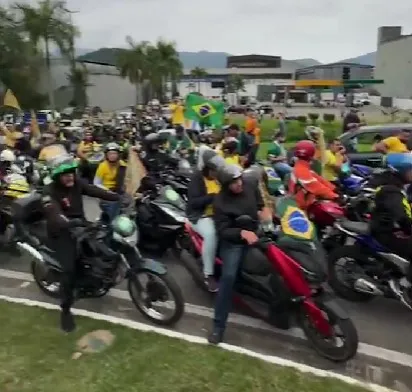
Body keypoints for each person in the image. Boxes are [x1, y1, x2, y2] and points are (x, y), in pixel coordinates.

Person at [42, 154, 121, 332]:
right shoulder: (49, 191)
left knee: (102, 247)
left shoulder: (77, 183)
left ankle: (95, 280)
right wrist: (67, 222)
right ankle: (66, 308)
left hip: (80, 226)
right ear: (56, 176)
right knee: (69, 269)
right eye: (65, 174)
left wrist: (117, 197)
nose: (70, 176)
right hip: (61, 232)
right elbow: (53, 213)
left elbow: (95, 190)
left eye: (71, 172)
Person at [208, 164, 270, 344]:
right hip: (234, 241)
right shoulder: (220, 202)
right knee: (228, 278)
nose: (239, 184)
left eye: (239, 179)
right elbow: (222, 230)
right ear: (226, 185)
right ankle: (218, 327)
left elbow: (260, 204)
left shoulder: (249, 184)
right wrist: (241, 233)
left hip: (257, 231)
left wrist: (264, 212)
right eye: (234, 182)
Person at [370, 153, 412, 308]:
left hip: (393, 227)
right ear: (400, 171)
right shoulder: (390, 191)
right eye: (410, 170)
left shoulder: (399, 185)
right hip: (387, 231)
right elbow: (401, 217)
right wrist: (408, 230)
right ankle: (405, 283)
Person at [187, 149, 225, 292]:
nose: (217, 173)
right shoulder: (197, 179)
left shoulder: (219, 178)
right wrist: (212, 197)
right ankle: (208, 274)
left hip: (219, 215)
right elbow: (194, 203)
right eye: (214, 170)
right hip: (200, 216)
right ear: (207, 169)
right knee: (211, 234)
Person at [288, 140, 339, 211]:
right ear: (311, 154)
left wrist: (335, 189)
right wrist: (335, 196)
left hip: (304, 206)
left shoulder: (303, 168)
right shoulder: (301, 170)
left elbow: (321, 181)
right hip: (301, 209)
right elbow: (317, 187)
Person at [94, 142, 127, 222]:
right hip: (107, 193)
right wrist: (107, 191)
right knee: (113, 217)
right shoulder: (103, 166)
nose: (112, 156)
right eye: (110, 154)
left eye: (114, 153)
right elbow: (96, 183)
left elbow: (127, 178)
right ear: (106, 155)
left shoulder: (122, 165)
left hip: (119, 192)